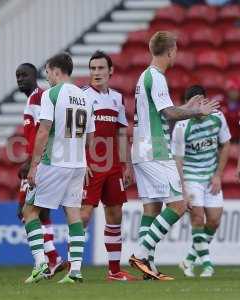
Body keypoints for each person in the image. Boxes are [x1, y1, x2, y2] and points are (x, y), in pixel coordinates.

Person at [129, 31, 220, 280]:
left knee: (152, 208)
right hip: (156, 148)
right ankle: (140, 254)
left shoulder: (144, 76)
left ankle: (148, 268)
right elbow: (169, 114)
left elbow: (163, 110)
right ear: (170, 51)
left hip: (140, 148)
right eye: (176, 50)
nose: (176, 53)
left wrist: (189, 107)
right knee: (178, 205)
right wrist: (196, 113)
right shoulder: (157, 78)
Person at [23, 53, 95, 284]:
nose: (47, 78)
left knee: (29, 211)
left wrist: (34, 166)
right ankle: (75, 271)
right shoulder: (85, 97)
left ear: (55, 70)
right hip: (78, 164)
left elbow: (43, 131)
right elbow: (91, 137)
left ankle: (40, 264)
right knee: (73, 215)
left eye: (47, 73)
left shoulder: (51, 95)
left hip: (54, 162)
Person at [80, 51, 136, 281]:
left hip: (113, 166)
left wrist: (127, 164)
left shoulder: (117, 98)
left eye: (101, 68)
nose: (96, 73)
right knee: (83, 215)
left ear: (110, 71)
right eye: (93, 68)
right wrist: (81, 163)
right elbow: (74, 133)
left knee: (115, 214)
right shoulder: (82, 96)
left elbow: (122, 133)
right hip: (90, 165)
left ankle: (114, 271)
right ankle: (73, 269)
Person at [173, 85, 231, 277]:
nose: (199, 105)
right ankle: (207, 265)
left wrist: (218, 175)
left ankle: (188, 260)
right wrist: (183, 190)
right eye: (195, 102)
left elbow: (226, 144)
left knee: (213, 221)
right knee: (198, 217)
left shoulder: (217, 117)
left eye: (202, 101)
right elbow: (178, 161)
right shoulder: (182, 127)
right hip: (191, 177)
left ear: (206, 101)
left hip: (210, 176)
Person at [15, 63, 65, 275]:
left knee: (25, 212)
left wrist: (30, 162)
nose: (20, 79)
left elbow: (41, 132)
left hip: (39, 163)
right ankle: (53, 258)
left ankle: (50, 259)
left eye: (24, 75)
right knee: (41, 213)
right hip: (41, 161)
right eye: (17, 75)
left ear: (35, 76)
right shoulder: (33, 98)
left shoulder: (37, 97)